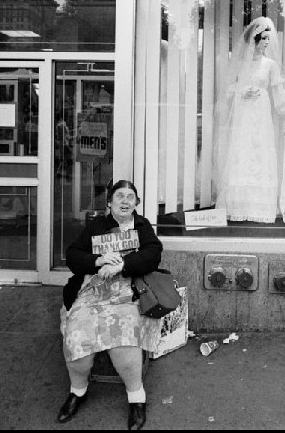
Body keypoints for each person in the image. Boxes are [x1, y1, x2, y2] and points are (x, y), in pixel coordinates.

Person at [57, 179, 163, 430]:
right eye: (120, 196)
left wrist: (123, 265)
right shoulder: (97, 225)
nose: (125, 200)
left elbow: (153, 253)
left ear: (136, 203)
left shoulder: (142, 225)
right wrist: (98, 260)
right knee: (76, 334)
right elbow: (73, 255)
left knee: (124, 336)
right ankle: (78, 391)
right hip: (92, 292)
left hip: (127, 292)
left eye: (130, 196)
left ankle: (137, 397)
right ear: (110, 203)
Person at [213, 16, 285, 223]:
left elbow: (278, 91)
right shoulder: (242, 64)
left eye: (269, 39)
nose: (267, 43)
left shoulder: (270, 65)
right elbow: (228, 90)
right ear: (255, 40)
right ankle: (239, 204)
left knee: (260, 151)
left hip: (261, 113)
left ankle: (261, 207)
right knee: (242, 151)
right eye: (264, 39)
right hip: (243, 114)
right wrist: (242, 91)